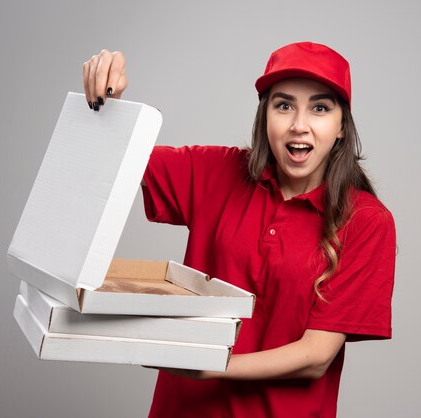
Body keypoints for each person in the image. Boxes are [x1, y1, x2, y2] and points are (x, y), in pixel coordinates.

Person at [83, 42, 396, 418]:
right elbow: (115, 154)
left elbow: (317, 356)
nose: (299, 124)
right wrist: (110, 98)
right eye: (284, 106)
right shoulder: (217, 172)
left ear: (341, 125)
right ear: (265, 117)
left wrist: (210, 364)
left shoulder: (365, 220)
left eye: (319, 108)